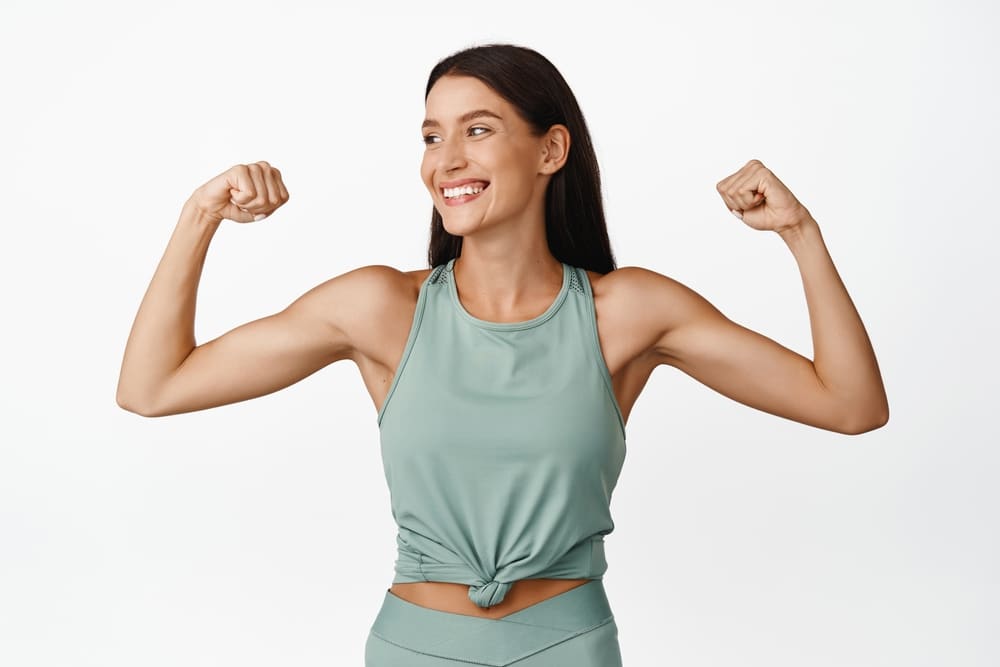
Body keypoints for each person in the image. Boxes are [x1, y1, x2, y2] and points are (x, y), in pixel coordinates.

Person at [116, 43, 888, 666]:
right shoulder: (381, 309)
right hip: (415, 648)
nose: (446, 156)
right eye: (431, 134)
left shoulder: (629, 313)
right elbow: (153, 386)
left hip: (567, 644)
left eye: (477, 129)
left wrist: (801, 235)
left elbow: (849, 405)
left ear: (551, 149)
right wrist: (200, 216)